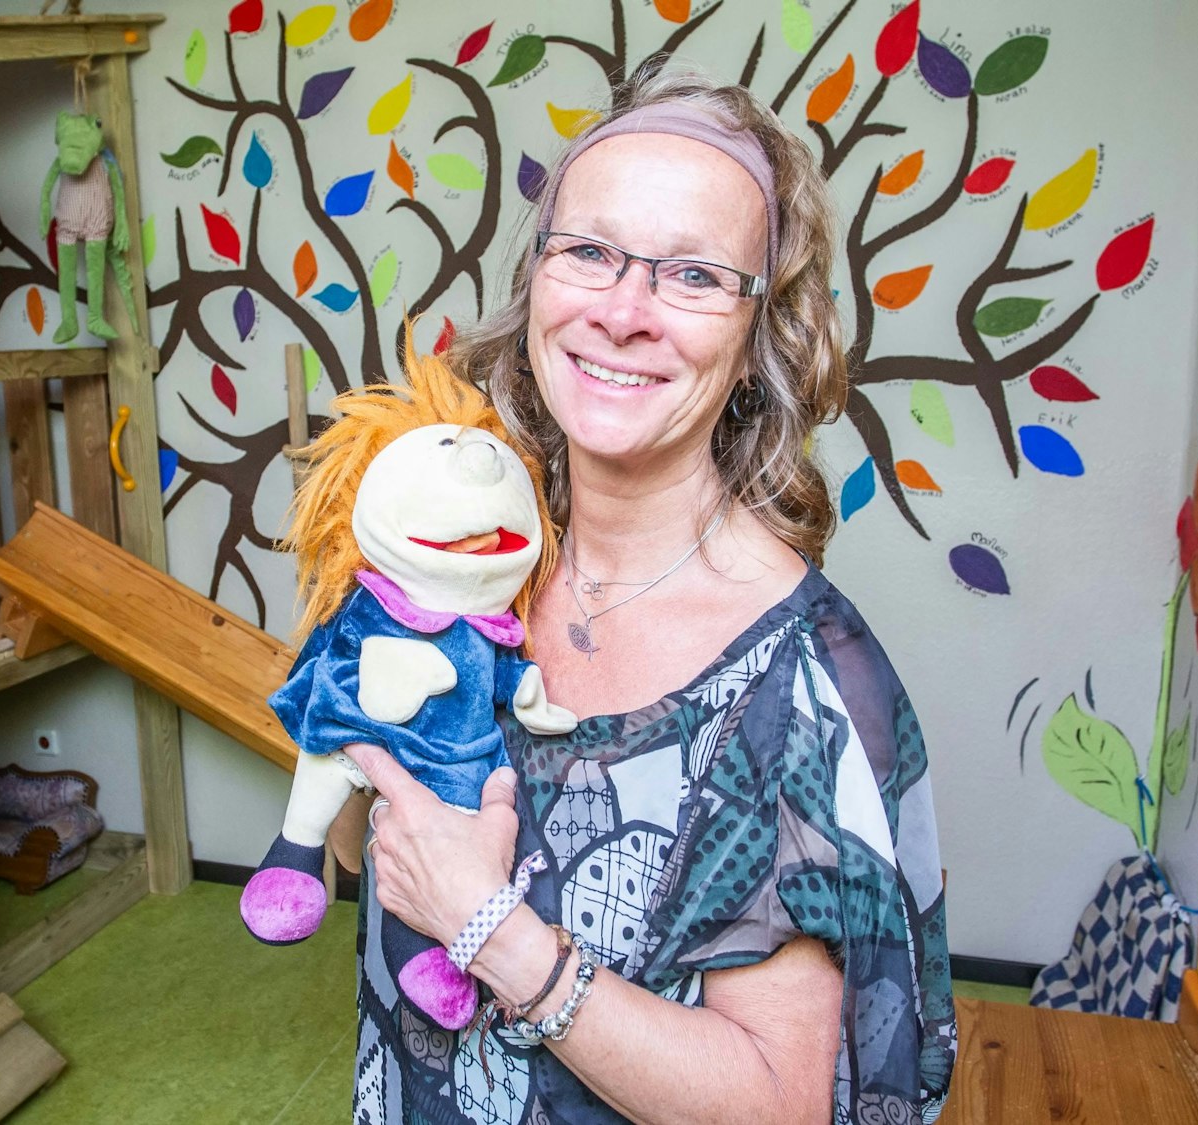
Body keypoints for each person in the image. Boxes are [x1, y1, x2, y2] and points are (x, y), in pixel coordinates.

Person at [338, 64, 957, 1124]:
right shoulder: (473, 565)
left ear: (760, 338)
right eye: (587, 252)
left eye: (692, 276)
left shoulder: (799, 688)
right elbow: (366, 854)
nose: (622, 313)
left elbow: (777, 1104)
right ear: (536, 283)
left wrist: (490, 927)